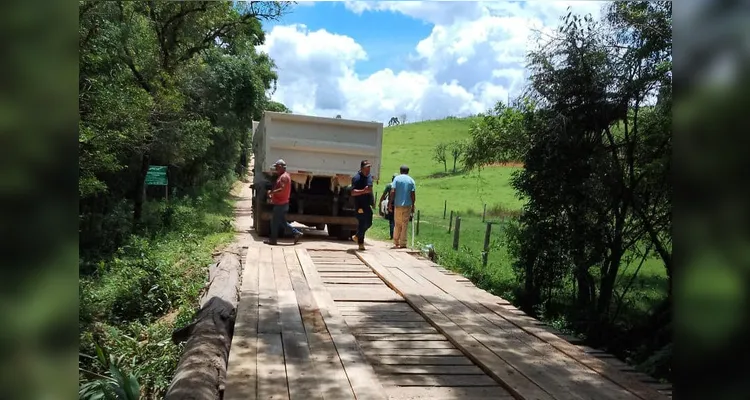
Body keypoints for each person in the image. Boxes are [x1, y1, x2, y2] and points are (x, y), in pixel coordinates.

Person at [264, 159, 302, 245]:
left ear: (281, 167)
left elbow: (282, 189)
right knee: (282, 222)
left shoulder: (284, 177)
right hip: (282, 203)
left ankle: (273, 240)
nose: (276, 169)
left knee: (274, 222)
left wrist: (272, 192)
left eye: (277, 167)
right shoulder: (284, 176)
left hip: (281, 204)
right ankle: (296, 233)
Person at [389, 165, 416, 249]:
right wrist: (413, 204)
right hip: (407, 205)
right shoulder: (411, 180)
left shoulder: (397, 179)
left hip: (397, 205)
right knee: (405, 224)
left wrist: (390, 202)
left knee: (397, 223)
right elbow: (413, 194)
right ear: (408, 171)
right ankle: (403, 243)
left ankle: (396, 241)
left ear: (400, 171)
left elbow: (393, 191)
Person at [351, 160, 375, 251]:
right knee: (362, 223)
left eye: (369, 167)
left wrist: (372, 201)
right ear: (362, 168)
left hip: (367, 204)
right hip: (359, 205)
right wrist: (363, 191)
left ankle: (357, 236)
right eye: (367, 167)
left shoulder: (369, 177)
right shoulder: (356, 178)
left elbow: (370, 189)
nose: (368, 169)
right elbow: (353, 192)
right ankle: (361, 244)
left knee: (369, 222)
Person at [378, 173, 398, 239]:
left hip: (391, 204)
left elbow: (384, 195)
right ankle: (397, 236)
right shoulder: (400, 186)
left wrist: (380, 202)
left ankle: (392, 235)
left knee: (391, 221)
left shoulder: (389, 186)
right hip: (399, 205)